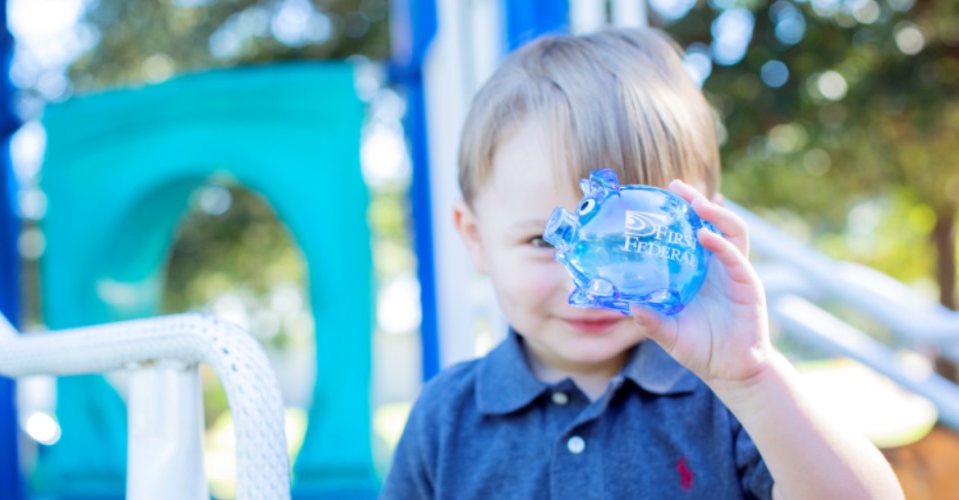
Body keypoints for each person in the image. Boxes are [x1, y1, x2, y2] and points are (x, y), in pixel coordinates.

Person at [381, 27, 903, 499]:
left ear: (701, 229)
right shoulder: (445, 420)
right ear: (475, 238)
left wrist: (752, 375)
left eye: (630, 242)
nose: (587, 283)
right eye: (545, 240)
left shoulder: (732, 402)